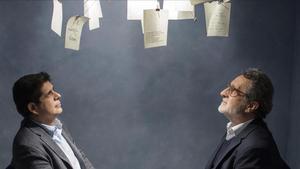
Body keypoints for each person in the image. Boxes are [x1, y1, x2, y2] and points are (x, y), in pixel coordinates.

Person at [205, 68, 290, 169]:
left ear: (251, 106)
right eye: (228, 87)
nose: (222, 92)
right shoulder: (236, 131)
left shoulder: (255, 147)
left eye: (233, 90)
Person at [7, 72, 94, 169]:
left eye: (53, 90)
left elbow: (80, 158)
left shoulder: (57, 125)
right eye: (49, 93)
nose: (58, 95)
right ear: (33, 108)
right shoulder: (27, 145)